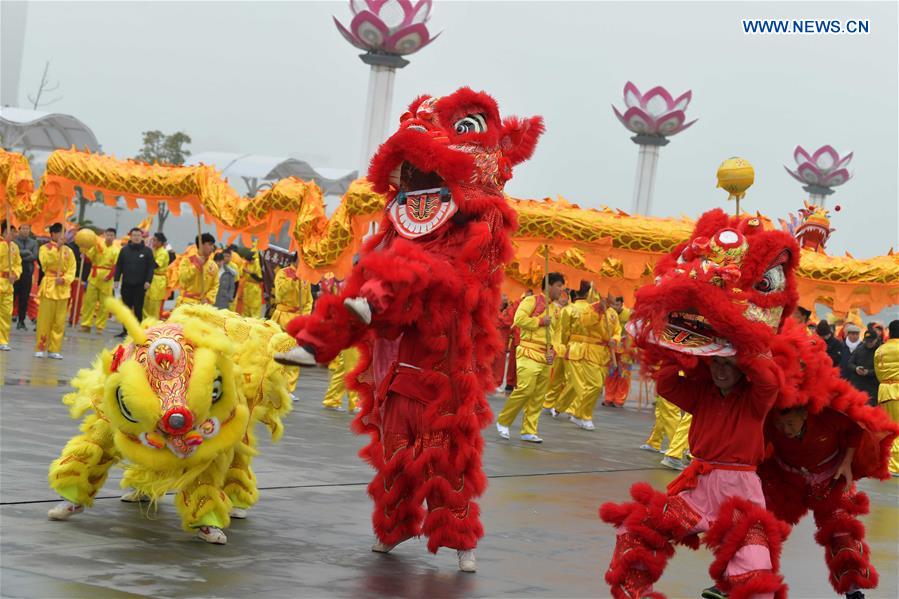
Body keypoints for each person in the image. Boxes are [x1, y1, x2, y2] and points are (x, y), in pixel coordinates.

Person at [602, 353, 787, 598]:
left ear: (743, 368)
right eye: (716, 363)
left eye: (729, 365)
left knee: (755, 566)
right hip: (698, 487)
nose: (720, 371)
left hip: (740, 492)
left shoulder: (756, 398)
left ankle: (729, 587)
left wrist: (748, 345)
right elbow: (666, 385)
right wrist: (677, 351)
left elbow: (769, 381)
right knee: (637, 527)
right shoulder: (702, 392)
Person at [758, 407, 876, 599]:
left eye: (789, 424)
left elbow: (855, 429)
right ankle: (744, 581)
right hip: (786, 482)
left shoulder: (826, 416)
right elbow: (756, 448)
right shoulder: (768, 423)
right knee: (762, 527)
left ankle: (854, 591)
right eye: (780, 424)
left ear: (805, 413)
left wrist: (847, 462)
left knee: (842, 533)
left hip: (829, 481)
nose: (785, 429)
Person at [496, 272, 565, 443]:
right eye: (558, 286)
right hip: (528, 350)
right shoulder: (531, 301)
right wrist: (540, 322)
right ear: (549, 285)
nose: (561, 290)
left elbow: (558, 335)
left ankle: (529, 429)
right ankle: (504, 421)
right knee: (525, 388)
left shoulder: (557, 310)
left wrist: (554, 351)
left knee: (539, 394)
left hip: (545, 355)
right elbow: (519, 320)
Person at [554, 282, 621, 431]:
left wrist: (614, 340)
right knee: (593, 385)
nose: (610, 300)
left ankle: (573, 411)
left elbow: (617, 330)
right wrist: (598, 310)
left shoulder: (612, 314)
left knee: (594, 387)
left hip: (602, 354)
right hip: (586, 351)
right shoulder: (589, 309)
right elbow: (585, 322)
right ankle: (584, 415)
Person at [269, 254, 313, 401]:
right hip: (283, 316)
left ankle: (288, 389)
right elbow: (280, 292)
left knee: (296, 353)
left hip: (298, 319)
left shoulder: (307, 276)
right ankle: (274, 386)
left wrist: (305, 315)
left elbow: (309, 300)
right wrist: (294, 279)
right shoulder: (283, 273)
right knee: (280, 352)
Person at [34, 223, 76, 359]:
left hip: (62, 288)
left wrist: (64, 279)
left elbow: (72, 269)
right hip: (49, 285)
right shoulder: (44, 248)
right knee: (45, 320)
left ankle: (54, 349)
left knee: (59, 321)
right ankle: (41, 347)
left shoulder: (69, 251)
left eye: (64, 233)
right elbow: (45, 262)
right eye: (59, 233)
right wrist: (56, 248)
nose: (62, 236)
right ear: (52, 234)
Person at [113, 227, 155, 336]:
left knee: (138, 308)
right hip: (126, 284)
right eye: (134, 235)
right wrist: (116, 279)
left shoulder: (147, 251)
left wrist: (148, 281)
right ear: (131, 237)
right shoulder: (124, 250)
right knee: (126, 309)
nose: (136, 237)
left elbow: (151, 268)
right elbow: (119, 266)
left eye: (138, 235)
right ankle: (125, 330)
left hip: (140, 285)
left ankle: (137, 330)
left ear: (142, 237)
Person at [78, 228, 120, 333]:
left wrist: (110, 276)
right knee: (89, 302)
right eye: (108, 234)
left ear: (114, 237)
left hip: (106, 278)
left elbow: (116, 266)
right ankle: (86, 324)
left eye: (112, 235)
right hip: (94, 275)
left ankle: (100, 326)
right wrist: (84, 255)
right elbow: (89, 258)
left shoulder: (116, 250)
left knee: (104, 304)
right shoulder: (97, 245)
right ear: (104, 235)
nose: (109, 237)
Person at [542, 289, 574, 416]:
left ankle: (562, 405)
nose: (563, 299)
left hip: (570, 349)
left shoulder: (571, 310)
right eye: (562, 296)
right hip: (558, 348)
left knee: (568, 379)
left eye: (566, 297)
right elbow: (554, 330)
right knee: (556, 377)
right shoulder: (553, 309)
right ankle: (549, 403)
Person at [874, 320, 899, 476]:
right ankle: (895, 466)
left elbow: (878, 373)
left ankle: (887, 463)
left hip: (884, 392)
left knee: (888, 430)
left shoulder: (880, 350)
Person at [603, 295, 633, 407]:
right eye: (612, 304)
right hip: (612, 346)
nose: (614, 307)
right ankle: (608, 397)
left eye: (616, 304)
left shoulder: (629, 314)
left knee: (623, 374)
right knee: (610, 373)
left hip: (626, 348)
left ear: (621, 304)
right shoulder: (608, 313)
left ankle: (619, 399)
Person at [176, 233, 218, 306]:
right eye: (210, 244)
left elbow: (215, 285)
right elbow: (183, 278)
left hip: (204, 304)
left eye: (213, 245)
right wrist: (196, 265)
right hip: (187, 303)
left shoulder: (213, 265)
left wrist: (208, 299)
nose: (212, 247)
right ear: (201, 245)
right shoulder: (187, 260)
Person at [0, 222, 22, 351]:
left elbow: (18, 264)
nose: (16, 234)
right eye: (13, 231)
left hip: (8, 285)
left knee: (6, 314)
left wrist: (15, 274)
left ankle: (3, 340)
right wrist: (4, 245)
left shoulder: (15, 247)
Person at [13, 223, 37, 330]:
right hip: (14, 273)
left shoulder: (34, 242)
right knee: (11, 297)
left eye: (27, 229)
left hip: (27, 272)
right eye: (23, 228)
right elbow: (13, 255)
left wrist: (20, 256)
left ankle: (21, 321)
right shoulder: (14, 241)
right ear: (19, 230)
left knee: (24, 297)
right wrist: (27, 252)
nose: (25, 231)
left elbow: (34, 256)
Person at [848, 330, 881, 405]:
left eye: (871, 341)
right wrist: (856, 368)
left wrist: (868, 372)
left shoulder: (881, 351)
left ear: (876, 339)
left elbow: (882, 369)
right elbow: (850, 363)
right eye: (867, 341)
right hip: (859, 386)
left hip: (873, 388)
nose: (868, 343)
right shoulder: (859, 349)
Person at [142, 232, 170, 320]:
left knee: (154, 305)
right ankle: (145, 323)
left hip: (158, 280)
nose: (152, 241)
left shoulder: (163, 252)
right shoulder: (154, 250)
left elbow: (155, 265)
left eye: (154, 240)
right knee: (146, 302)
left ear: (160, 242)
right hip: (151, 278)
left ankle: (153, 326)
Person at [239, 248, 264, 318]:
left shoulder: (257, 263)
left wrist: (249, 272)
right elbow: (240, 273)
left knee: (254, 308)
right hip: (247, 287)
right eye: (248, 261)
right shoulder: (245, 263)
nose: (249, 262)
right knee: (245, 308)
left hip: (255, 288)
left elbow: (260, 278)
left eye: (250, 261)